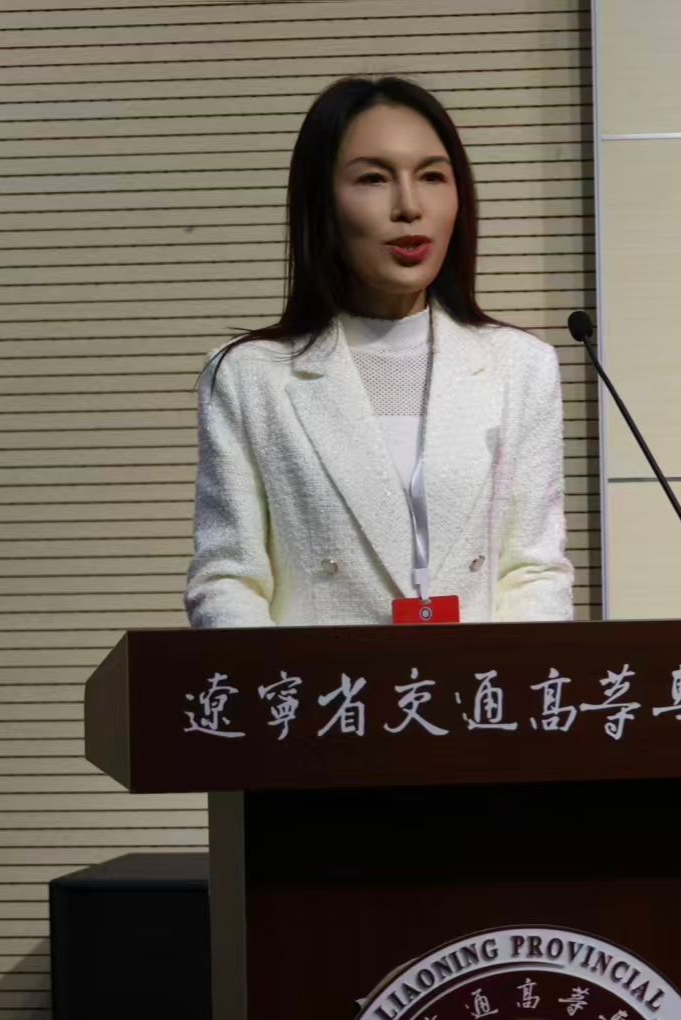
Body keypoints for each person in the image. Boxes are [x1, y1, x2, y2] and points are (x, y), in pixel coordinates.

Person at [184, 76, 575, 628]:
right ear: (321, 202)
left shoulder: (521, 366)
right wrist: (282, 683)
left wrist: (515, 676)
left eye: (432, 176)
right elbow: (228, 579)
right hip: (323, 682)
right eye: (373, 178)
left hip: (482, 681)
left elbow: (533, 571)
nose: (409, 206)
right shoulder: (249, 377)